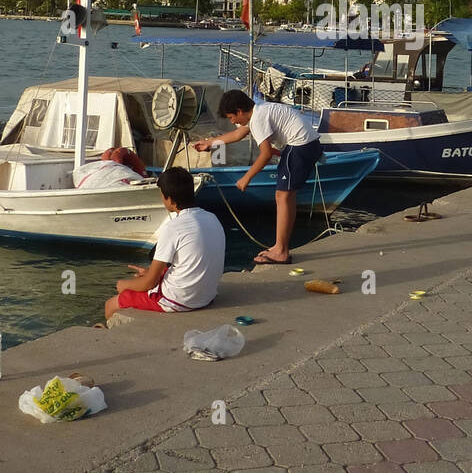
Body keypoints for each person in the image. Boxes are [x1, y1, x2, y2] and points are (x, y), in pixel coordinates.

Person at [193, 90, 323, 265]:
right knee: (285, 196)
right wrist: (210, 143)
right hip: (306, 145)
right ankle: (280, 247)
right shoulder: (259, 111)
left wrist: (247, 177)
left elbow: (266, 153)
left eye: (232, 117)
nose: (232, 122)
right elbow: (238, 135)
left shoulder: (258, 118)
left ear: (239, 111)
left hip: (300, 147)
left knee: (283, 196)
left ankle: (281, 250)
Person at [104, 167, 226, 320]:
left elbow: (149, 284)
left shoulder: (173, 227)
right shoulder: (212, 218)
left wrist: (124, 285)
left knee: (111, 303)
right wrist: (152, 273)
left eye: (162, 195)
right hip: (207, 296)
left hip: (180, 300)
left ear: (170, 199)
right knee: (148, 277)